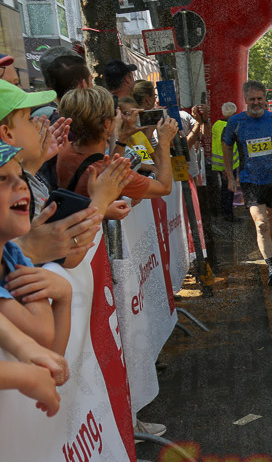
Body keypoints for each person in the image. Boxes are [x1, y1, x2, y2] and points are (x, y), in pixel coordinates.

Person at [0, 82, 129, 268]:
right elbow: (68, 257)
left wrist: (35, 162)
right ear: (7, 134)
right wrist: (100, 200)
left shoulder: (23, 177)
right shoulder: (9, 193)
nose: (40, 122)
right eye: (29, 119)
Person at [222, 80, 272, 287]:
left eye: (259, 99)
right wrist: (230, 175)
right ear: (245, 100)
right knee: (261, 224)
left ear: (265, 100)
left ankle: (270, 249)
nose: (256, 103)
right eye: (251, 99)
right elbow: (226, 145)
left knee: (271, 224)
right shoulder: (236, 122)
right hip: (250, 180)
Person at [0, 143, 71, 359]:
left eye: (21, 176)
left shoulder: (11, 253)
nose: (22, 185)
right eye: (2, 179)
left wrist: (65, 296)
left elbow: (55, 360)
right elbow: (44, 334)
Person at [56, 87, 173, 202]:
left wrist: (123, 137)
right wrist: (164, 141)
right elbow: (163, 187)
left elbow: (113, 163)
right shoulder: (108, 172)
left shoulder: (64, 149)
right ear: (106, 124)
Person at [211, 101, 240, 220]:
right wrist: (226, 168)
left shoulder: (217, 124)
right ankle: (228, 215)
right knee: (228, 191)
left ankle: (226, 213)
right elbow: (225, 147)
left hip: (220, 164)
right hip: (227, 164)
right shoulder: (229, 127)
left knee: (225, 189)